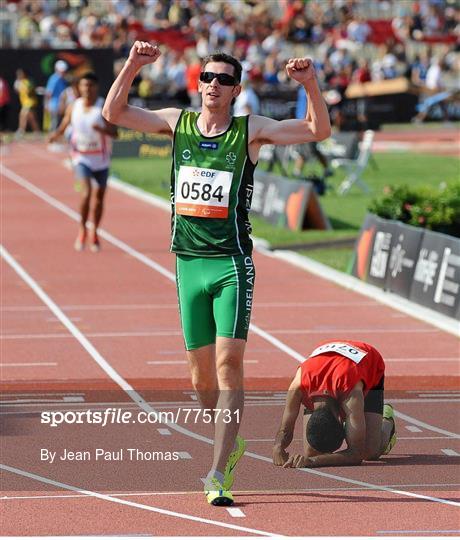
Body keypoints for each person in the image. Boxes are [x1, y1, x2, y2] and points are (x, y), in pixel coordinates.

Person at [103, 41, 331, 506]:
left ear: (235, 89)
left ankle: (217, 471)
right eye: (207, 77)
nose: (213, 85)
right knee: (202, 381)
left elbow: (317, 130)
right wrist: (132, 65)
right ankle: (232, 439)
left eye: (224, 80)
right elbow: (114, 112)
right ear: (199, 83)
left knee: (230, 366)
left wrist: (309, 83)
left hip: (231, 265)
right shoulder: (176, 122)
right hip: (188, 265)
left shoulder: (250, 131)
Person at [273, 340, 397, 469]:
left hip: (369, 363)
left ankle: (387, 421)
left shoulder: (351, 393)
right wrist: (278, 446)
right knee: (312, 451)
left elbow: (356, 454)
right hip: (329, 364)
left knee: (369, 452)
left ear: (340, 419)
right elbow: (285, 428)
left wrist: (313, 461)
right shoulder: (298, 387)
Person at [48, 72, 118, 252]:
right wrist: (54, 135)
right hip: (81, 157)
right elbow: (64, 125)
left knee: (99, 199)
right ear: (79, 87)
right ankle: (82, 230)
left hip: (101, 159)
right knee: (86, 194)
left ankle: (94, 231)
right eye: (84, 85)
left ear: (96, 87)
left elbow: (115, 133)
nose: (87, 89)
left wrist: (102, 129)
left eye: (91, 85)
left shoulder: (104, 107)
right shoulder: (74, 106)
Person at [14, 69, 40, 137]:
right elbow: (17, 91)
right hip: (24, 102)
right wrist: (17, 86)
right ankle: (37, 131)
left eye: (20, 74)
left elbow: (30, 91)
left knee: (23, 115)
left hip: (30, 102)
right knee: (31, 118)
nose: (19, 75)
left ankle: (21, 130)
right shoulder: (19, 82)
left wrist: (27, 89)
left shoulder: (28, 82)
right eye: (18, 74)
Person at [45, 60, 69, 131]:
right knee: (54, 124)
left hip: (62, 106)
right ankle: (51, 139)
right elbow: (49, 93)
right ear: (56, 69)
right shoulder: (54, 79)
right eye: (61, 71)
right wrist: (47, 104)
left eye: (64, 71)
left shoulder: (63, 80)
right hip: (54, 106)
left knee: (60, 124)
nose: (63, 72)